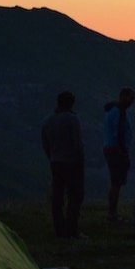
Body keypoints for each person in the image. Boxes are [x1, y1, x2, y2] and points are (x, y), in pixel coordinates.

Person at [41, 90, 85, 239]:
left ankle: (59, 230)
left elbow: (45, 143)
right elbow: (78, 144)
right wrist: (80, 162)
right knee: (75, 196)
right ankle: (72, 230)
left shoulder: (48, 120)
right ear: (71, 103)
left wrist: (52, 157)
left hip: (55, 162)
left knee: (57, 198)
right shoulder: (73, 119)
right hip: (72, 163)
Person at [102, 86, 135, 222]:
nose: (132, 102)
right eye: (131, 98)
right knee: (116, 182)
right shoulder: (119, 112)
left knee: (116, 182)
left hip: (112, 149)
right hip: (116, 150)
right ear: (123, 97)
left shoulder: (114, 111)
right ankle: (112, 213)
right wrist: (123, 152)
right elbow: (119, 133)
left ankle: (113, 212)